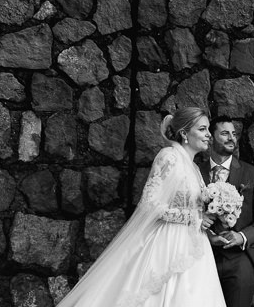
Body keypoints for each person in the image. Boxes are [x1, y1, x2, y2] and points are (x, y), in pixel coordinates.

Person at [56, 106, 226, 307]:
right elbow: (150, 204)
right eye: (203, 129)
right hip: (169, 243)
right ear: (184, 133)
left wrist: (208, 225)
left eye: (207, 130)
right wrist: (192, 217)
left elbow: (194, 209)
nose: (208, 135)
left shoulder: (195, 168)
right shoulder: (169, 156)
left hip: (195, 246)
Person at [199, 116, 254, 307]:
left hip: (241, 256)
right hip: (204, 255)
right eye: (224, 133)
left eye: (234, 133)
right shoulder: (196, 172)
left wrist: (242, 236)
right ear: (211, 137)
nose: (231, 138)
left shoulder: (251, 173)